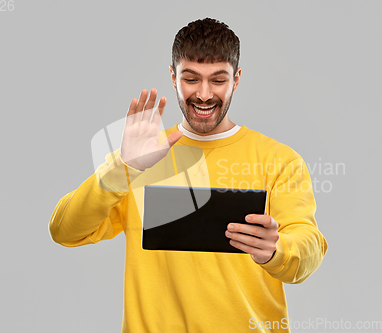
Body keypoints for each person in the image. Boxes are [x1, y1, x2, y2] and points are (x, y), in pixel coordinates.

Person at [49, 17, 328, 333]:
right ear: (173, 77)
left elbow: (309, 247)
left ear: (236, 79)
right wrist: (123, 168)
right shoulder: (139, 158)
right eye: (191, 79)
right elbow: (64, 229)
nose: (205, 94)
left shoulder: (278, 160)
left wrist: (277, 250)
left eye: (218, 80)